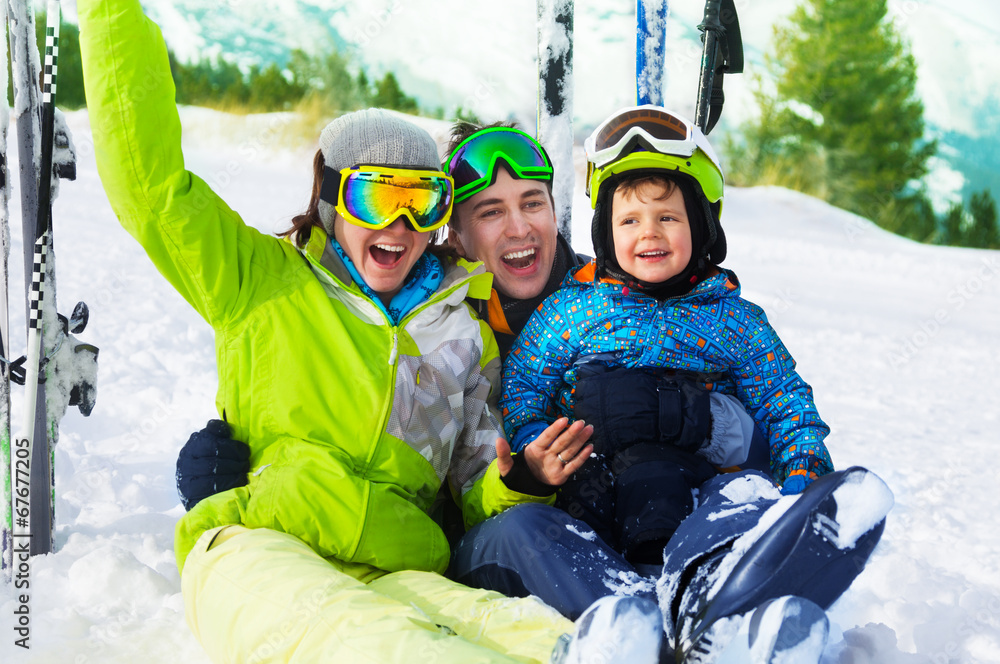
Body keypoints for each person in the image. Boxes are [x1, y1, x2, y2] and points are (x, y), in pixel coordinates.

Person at [78, 1, 666, 662]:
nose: (401, 224)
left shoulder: (462, 334)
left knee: (530, 633)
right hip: (260, 541)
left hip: (400, 563)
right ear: (330, 201)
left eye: (422, 201)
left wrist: (517, 478)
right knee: (364, 640)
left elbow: (475, 482)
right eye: (377, 197)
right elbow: (149, 188)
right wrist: (109, 12)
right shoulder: (259, 282)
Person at [499, 104, 831, 568]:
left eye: (668, 218)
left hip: (702, 479)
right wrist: (537, 438)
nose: (648, 233)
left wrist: (803, 467)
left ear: (701, 225)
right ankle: (604, 587)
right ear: (605, 233)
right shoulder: (572, 309)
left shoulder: (734, 320)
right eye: (629, 221)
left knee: (710, 492)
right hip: (591, 472)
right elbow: (525, 382)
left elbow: (783, 401)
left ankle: (715, 573)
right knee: (579, 502)